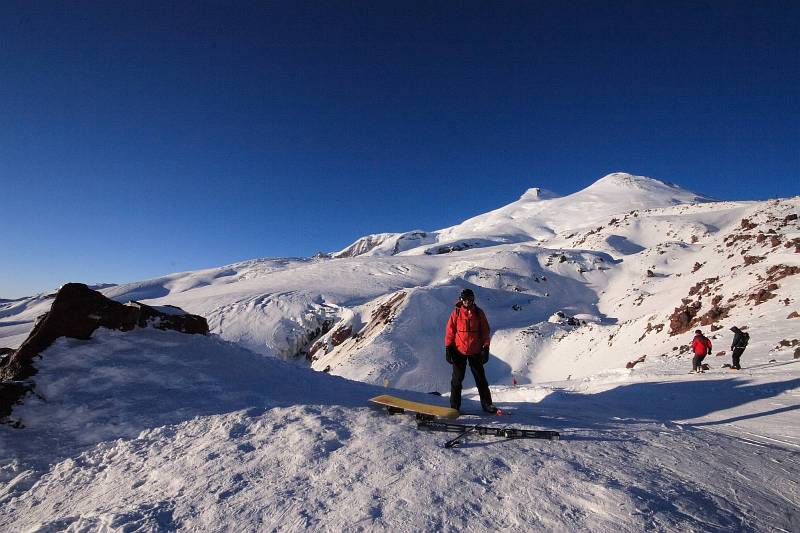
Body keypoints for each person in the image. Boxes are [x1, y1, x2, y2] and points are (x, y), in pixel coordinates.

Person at [444, 288, 497, 413]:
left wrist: (486, 347)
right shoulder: (456, 313)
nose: (467, 302)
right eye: (465, 299)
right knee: (456, 380)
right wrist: (448, 348)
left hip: (475, 350)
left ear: (473, 300)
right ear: (461, 300)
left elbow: (485, 331)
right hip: (458, 350)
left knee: (481, 380)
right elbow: (450, 332)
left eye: (469, 299)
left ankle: (487, 405)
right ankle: (454, 407)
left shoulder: (479, 313)